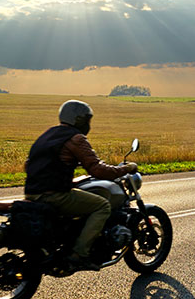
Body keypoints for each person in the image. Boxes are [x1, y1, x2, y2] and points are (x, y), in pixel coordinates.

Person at [23, 100, 138, 270]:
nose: (88, 124)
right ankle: (79, 254)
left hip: (32, 194)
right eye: (87, 120)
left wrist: (66, 165)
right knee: (102, 206)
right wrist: (126, 168)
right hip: (54, 195)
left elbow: (29, 164)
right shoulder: (76, 138)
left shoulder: (48, 134)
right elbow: (97, 170)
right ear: (79, 120)